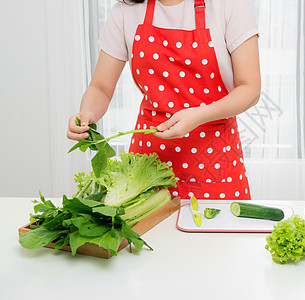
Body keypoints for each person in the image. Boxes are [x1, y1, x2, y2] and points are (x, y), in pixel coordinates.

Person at [67, 0, 261, 200]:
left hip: (215, 161)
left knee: (216, 229)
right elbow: (101, 87)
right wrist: (87, 113)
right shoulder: (125, 12)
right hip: (147, 166)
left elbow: (250, 88)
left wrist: (199, 115)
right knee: (145, 230)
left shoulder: (229, 5)